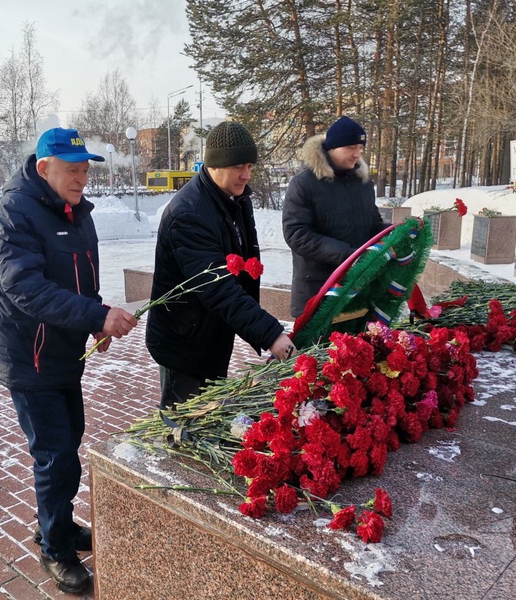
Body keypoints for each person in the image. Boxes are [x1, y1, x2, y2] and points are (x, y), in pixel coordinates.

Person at [0, 127, 137, 594]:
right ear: (43, 167)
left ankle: (59, 525)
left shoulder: (76, 213)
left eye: (86, 169)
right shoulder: (15, 213)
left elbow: (81, 278)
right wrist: (96, 314)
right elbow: (25, 288)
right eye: (72, 170)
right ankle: (55, 548)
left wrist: (94, 319)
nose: (82, 178)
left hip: (63, 351)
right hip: (29, 356)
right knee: (54, 456)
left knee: (69, 441)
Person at [146, 121, 295, 410]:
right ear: (215, 164)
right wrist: (270, 334)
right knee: (185, 428)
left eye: (250, 166)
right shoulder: (188, 213)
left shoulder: (234, 199)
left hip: (212, 333)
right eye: (239, 166)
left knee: (208, 415)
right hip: (184, 344)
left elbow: (246, 264)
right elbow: (218, 288)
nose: (246, 175)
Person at [282, 115, 386, 317]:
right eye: (350, 148)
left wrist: (397, 231)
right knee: (318, 350)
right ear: (332, 148)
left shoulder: (363, 183)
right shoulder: (304, 183)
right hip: (318, 293)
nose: (357, 154)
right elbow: (296, 234)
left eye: (360, 148)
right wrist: (347, 255)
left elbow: (373, 225)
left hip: (357, 290)